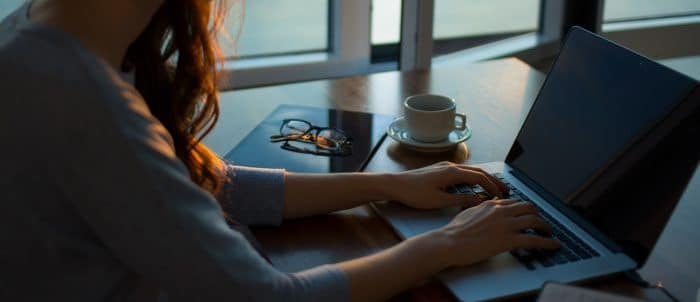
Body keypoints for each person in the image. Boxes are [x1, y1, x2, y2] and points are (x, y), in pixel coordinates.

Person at [0, 0, 559, 301]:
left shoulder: (33, 34)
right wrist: (444, 246)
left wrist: (384, 185)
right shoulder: (83, 100)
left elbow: (186, 184)